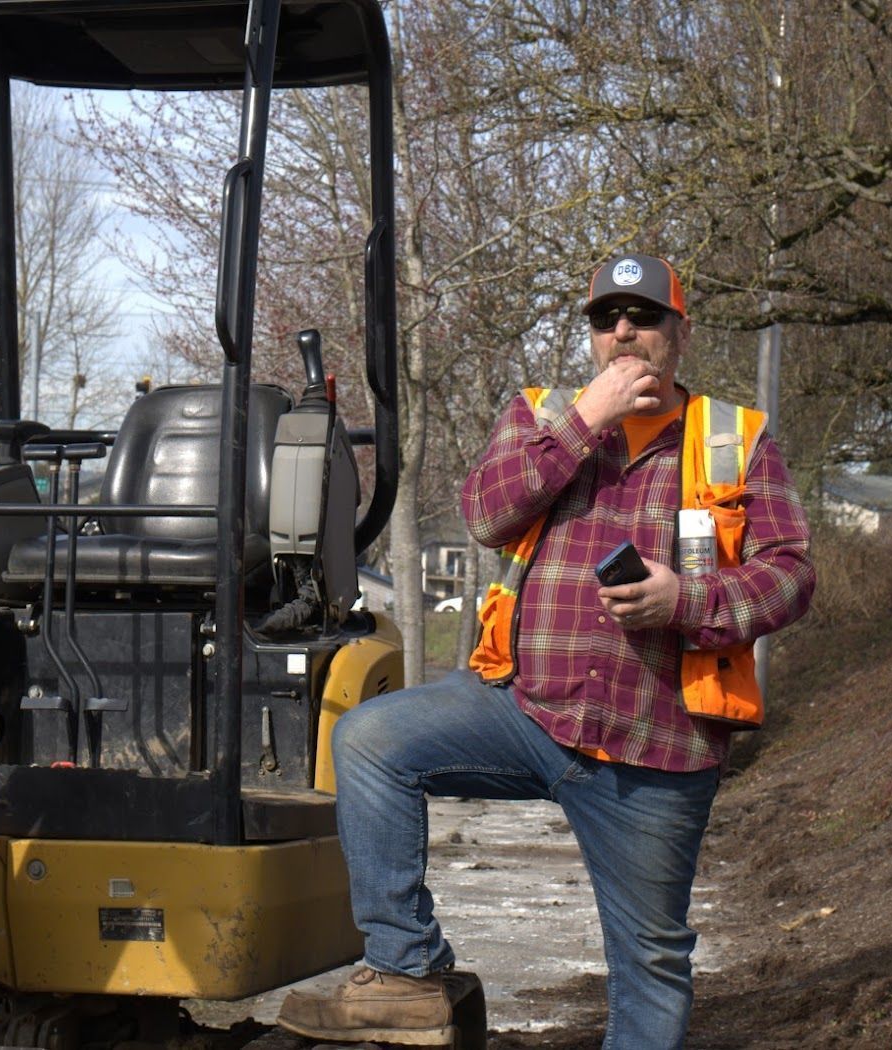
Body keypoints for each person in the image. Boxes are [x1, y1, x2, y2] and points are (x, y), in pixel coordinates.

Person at [276, 252, 816, 1049]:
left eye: (643, 316)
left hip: (654, 747)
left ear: (680, 331)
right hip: (524, 709)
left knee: (652, 964)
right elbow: (486, 514)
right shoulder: (543, 414)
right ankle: (405, 969)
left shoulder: (734, 437)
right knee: (370, 740)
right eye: (606, 319)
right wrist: (585, 421)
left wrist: (686, 599)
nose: (624, 331)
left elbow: (791, 575)